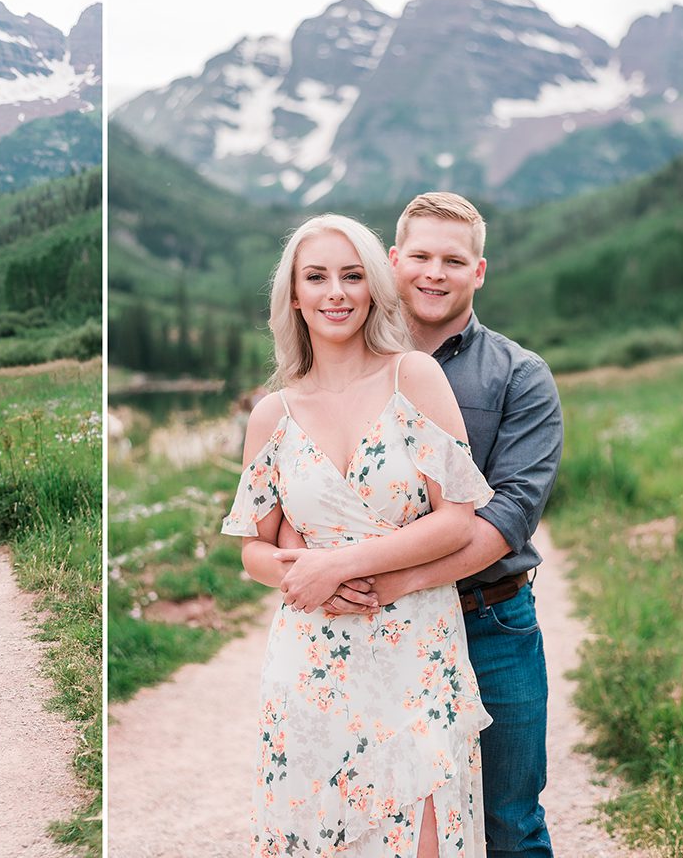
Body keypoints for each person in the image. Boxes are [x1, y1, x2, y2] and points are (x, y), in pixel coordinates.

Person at [222, 214, 496, 857]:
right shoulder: (273, 414)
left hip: (417, 650)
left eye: (351, 276)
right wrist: (301, 575)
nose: (335, 292)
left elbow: (456, 516)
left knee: (423, 833)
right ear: (293, 295)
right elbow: (254, 549)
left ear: (374, 286)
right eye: (315, 277)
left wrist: (336, 564)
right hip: (311, 658)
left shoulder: (413, 378)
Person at [305, 193, 563, 858]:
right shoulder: (340, 368)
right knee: (381, 817)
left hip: (490, 623)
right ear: (394, 261)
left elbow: (505, 518)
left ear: (479, 271)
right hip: (369, 633)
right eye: (419, 255)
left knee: (509, 820)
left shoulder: (520, 376)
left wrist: (392, 579)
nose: (434, 272)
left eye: (454, 259)